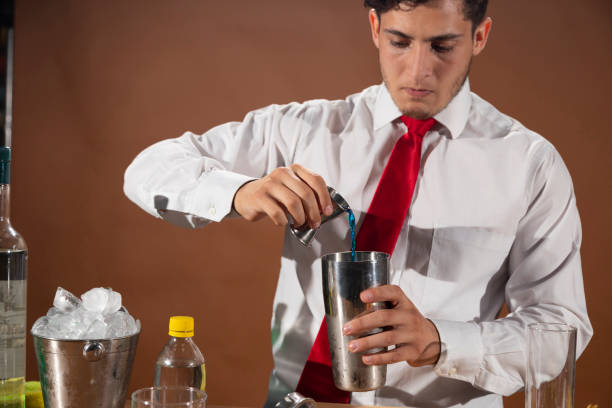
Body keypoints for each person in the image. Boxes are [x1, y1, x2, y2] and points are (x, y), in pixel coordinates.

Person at [123, 0, 592, 407]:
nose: (418, 71)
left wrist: (440, 341)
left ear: (480, 36)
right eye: (399, 42)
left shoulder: (529, 163)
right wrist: (236, 191)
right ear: (374, 28)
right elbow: (148, 168)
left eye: (443, 46)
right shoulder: (304, 129)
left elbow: (560, 332)